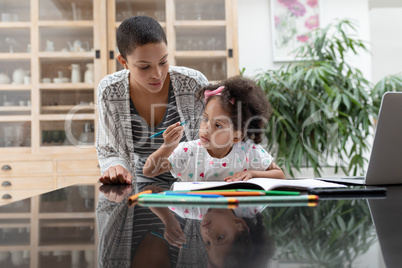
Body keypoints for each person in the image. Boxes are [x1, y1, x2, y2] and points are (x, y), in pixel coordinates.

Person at [96, 16, 208, 185]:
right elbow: (108, 150)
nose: (157, 74)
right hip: (138, 185)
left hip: (190, 185)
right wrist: (116, 167)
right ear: (123, 62)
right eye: (144, 66)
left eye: (163, 62)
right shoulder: (109, 91)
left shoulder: (194, 84)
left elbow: (212, 141)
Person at [143, 76, 285, 181]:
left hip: (232, 215)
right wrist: (168, 146)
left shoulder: (248, 151)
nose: (206, 129)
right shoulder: (188, 151)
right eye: (205, 119)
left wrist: (253, 173)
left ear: (237, 136)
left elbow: (279, 175)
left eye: (218, 125)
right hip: (197, 214)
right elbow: (149, 171)